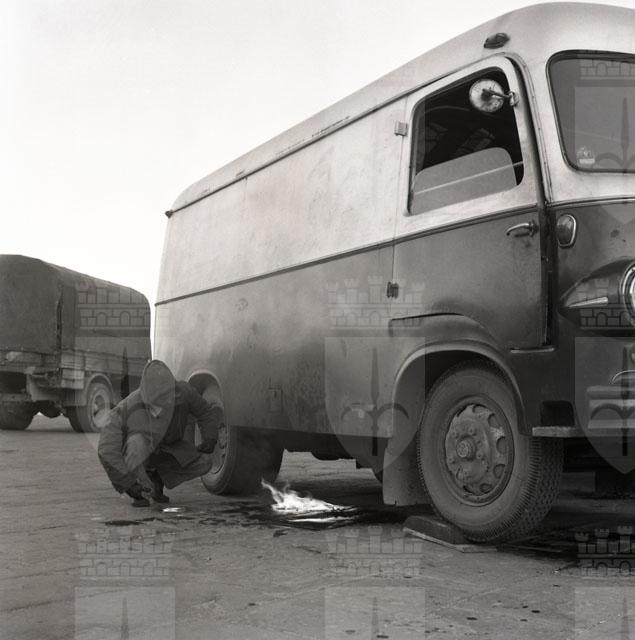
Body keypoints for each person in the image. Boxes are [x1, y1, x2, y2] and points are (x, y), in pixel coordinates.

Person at [97, 359, 223, 507]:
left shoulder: (184, 391)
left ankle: (157, 480)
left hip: (168, 449)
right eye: (160, 399)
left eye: (169, 397)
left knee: (205, 462)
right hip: (139, 454)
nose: (167, 403)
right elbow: (106, 451)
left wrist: (210, 436)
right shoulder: (127, 408)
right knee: (136, 443)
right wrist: (128, 484)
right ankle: (141, 490)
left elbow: (204, 411)